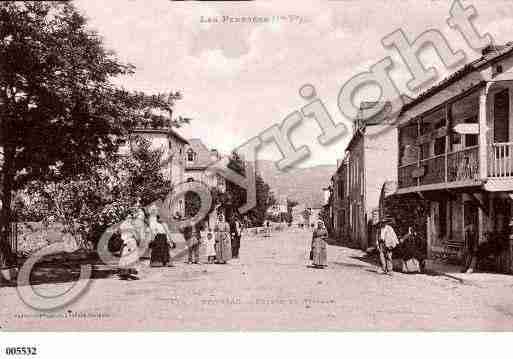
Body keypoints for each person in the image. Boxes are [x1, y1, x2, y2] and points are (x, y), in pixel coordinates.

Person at [118, 213, 139, 280]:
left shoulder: (122, 225)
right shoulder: (129, 225)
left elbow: (120, 234)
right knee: (129, 257)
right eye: (128, 217)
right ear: (125, 218)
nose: (130, 219)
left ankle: (125, 273)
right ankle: (127, 273)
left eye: (131, 218)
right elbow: (135, 234)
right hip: (129, 241)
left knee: (126, 257)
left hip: (126, 242)